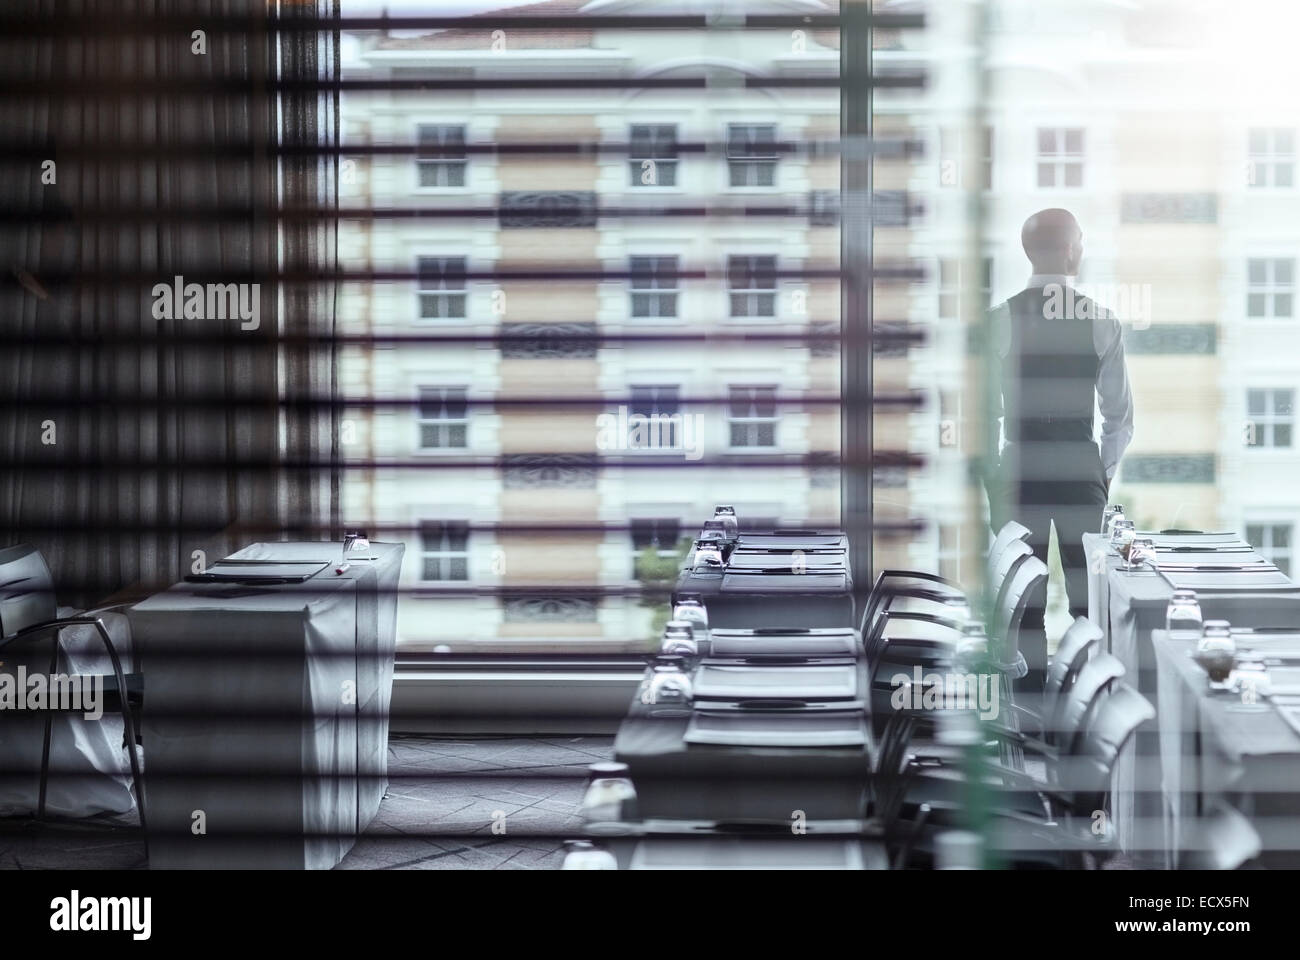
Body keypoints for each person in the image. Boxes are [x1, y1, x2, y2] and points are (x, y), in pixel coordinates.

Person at [987, 208, 1134, 690]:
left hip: (1020, 468)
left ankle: (1028, 712)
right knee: (1090, 601)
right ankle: (1087, 704)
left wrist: (996, 478)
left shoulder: (998, 320)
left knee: (1023, 602)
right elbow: (1119, 419)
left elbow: (984, 416)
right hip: (1079, 467)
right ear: (1073, 250)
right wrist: (1099, 472)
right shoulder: (1103, 321)